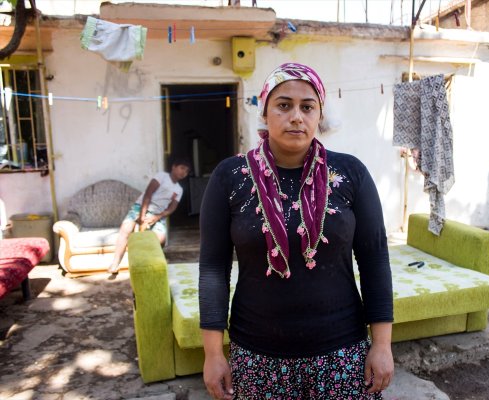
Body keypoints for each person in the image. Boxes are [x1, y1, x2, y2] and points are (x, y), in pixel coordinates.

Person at [199, 63, 394, 399]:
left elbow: (375, 260)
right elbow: (213, 269)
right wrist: (213, 354)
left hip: (342, 353)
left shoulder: (351, 173)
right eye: (284, 105)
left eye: (307, 107)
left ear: (319, 115)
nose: (296, 117)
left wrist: (382, 345)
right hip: (257, 356)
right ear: (264, 112)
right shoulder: (229, 177)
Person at [108, 157, 191, 275]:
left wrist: (157, 217)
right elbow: (148, 194)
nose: (183, 172)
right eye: (182, 168)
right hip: (141, 207)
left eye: (186, 171)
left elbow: (172, 208)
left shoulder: (179, 189)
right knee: (125, 229)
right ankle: (115, 263)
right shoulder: (162, 176)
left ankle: (150, 263)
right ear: (173, 167)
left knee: (161, 239)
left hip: (157, 214)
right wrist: (142, 216)